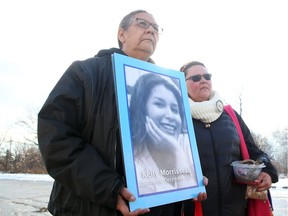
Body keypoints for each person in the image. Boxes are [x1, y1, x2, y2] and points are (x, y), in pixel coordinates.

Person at [38, 10, 206, 216]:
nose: (151, 30)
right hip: (90, 208)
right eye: (143, 23)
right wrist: (108, 188)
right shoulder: (86, 73)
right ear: (121, 34)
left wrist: (188, 179)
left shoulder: (168, 85)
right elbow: (56, 138)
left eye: (155, 28)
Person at [179, 61, 278, 216]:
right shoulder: (176, 117)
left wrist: (268, 173)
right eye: (196, 78)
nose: (203, 80)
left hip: (237, 209)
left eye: (207, 76)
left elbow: (254, 151)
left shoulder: (230, 116)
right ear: (182, 84)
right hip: (196, 209)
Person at [129, 73, 197, 195]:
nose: (170, 116)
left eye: (175, 109)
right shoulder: (134, 160)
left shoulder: (187, 143)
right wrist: (177, 151)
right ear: (142, 109)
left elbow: (192, 196)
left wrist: (177, 152)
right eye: (159, 104)